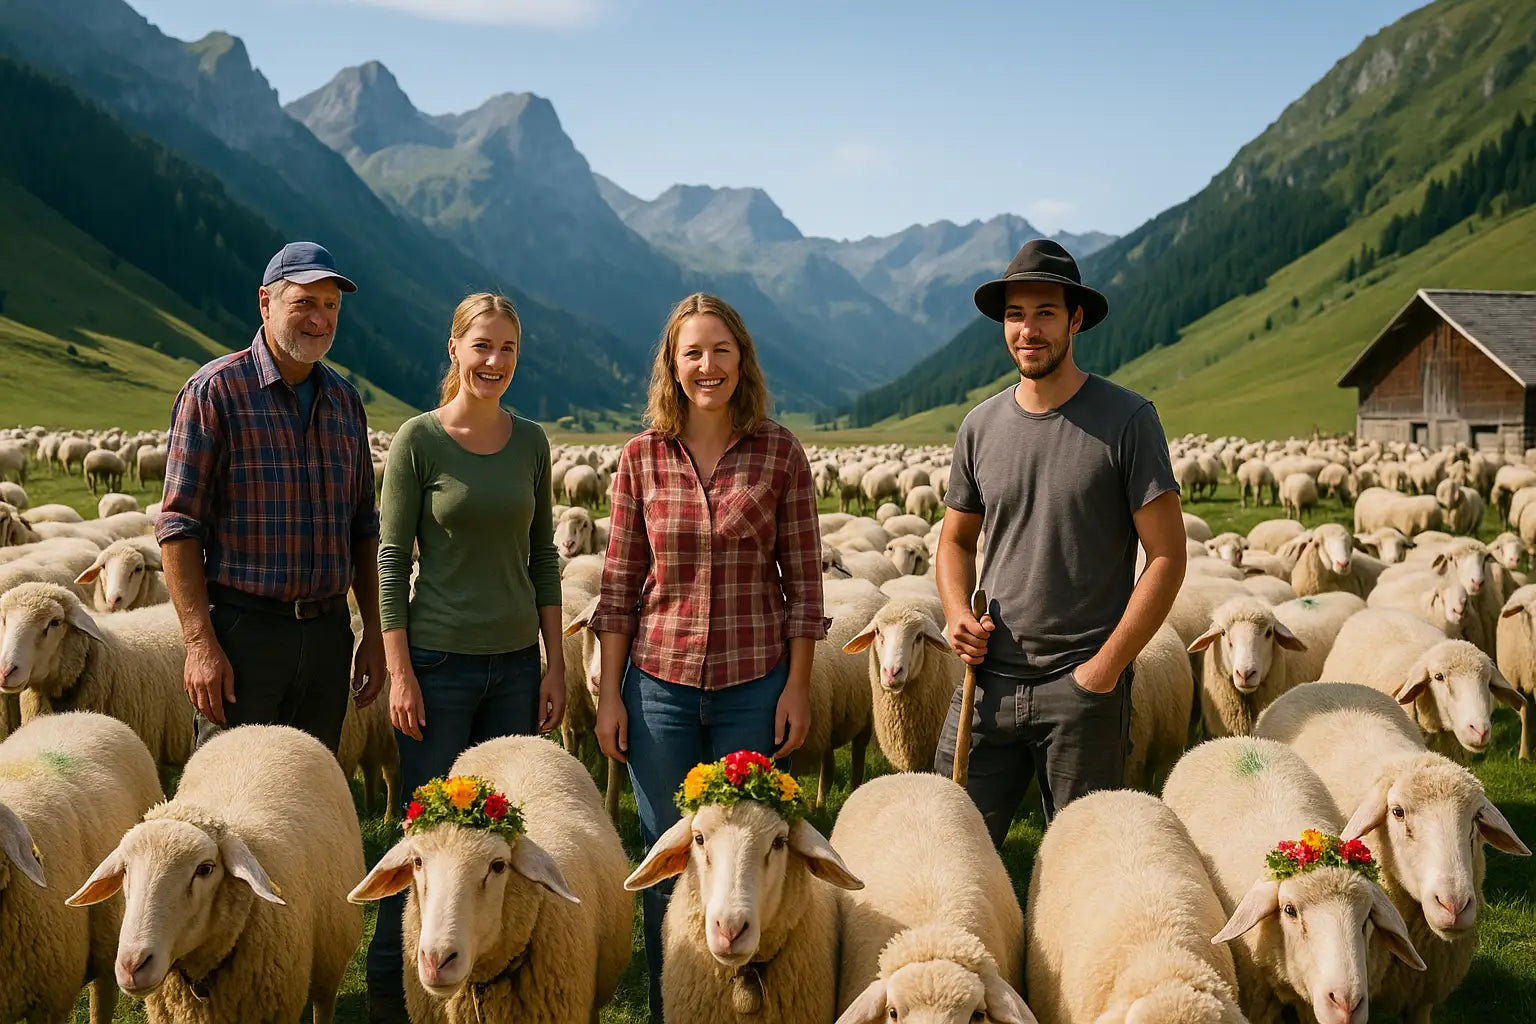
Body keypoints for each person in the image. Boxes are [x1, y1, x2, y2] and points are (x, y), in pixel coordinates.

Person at [589, 293, 827, 1023]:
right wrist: (608, 694)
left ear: (741, 359)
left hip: (754, 687)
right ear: (672, 364)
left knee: (748, 861)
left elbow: (806, 581)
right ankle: (678, 1008)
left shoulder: (779, 452)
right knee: (675, 865)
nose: (707, 366)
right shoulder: (641, 458)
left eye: (720, 350)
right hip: (657, 687)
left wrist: (798, 688)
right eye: (692, 352)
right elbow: (621, 581)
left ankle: (754, 1005)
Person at [933, 238, 1186, 848]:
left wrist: (1103, 671)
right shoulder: (980, 426)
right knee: (951, 849)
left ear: (1075, 320)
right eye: (1016, 315)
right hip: (987, 680)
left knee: (1086, 867)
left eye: (1045, 312)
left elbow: (1168, 558)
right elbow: (956, 541)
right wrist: (956, 612)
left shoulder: (1127, 420)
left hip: (1082, 687)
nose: (1028, 330)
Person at [364, 292, 567, 1023]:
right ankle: (395, 988)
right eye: (482, 345)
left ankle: (502, 986)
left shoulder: (531, 442)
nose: (495, 361)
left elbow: (543, 556)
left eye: (508, 349)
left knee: (502, 836)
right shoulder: (419, 442)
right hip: (438, 667)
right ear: (454, 349)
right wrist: (400, 671)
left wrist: (556, 663)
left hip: (515, 667)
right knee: (425, 839)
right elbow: (391, 563)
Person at [157, 240, 386, 756]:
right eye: (303, 302)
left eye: (331, 306)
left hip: (328, 634)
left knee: (308, 792)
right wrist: (199, 644)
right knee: (231, 789)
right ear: (266, 302)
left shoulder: (345, 402)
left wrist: (372, 631)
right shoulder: (215, 392)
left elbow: (362, 527)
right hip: (244, 634)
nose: (320, 319)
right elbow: (178, 525)